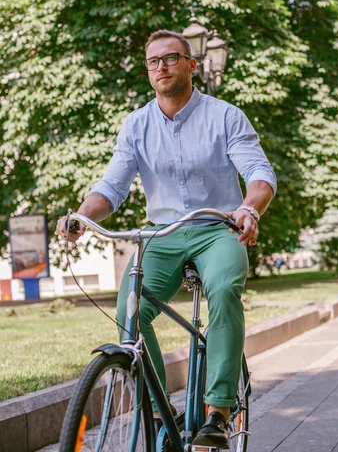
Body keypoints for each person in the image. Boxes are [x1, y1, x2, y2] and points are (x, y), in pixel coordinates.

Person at [57, 29, 277, 449]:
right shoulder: (137, 124)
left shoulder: (225, 116)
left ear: (191, 65)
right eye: (153, 61)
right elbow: (113, 186)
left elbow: (259, 175)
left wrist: (249, 208)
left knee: (225, 289)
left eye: (171, 58)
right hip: (163, 233)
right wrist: (83, 215)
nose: (161, 67)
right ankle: (162, 410)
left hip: (218, 227)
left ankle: (218, 412)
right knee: (130, 309)